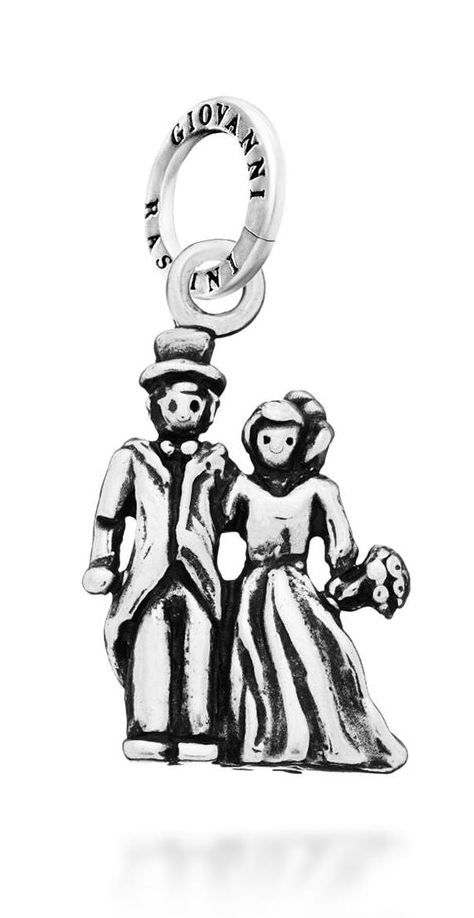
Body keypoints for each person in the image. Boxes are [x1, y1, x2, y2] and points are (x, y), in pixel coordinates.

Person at [222, 391, 408, 772]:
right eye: (267, 438)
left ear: (302, 444)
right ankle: (264, 738)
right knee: (254, 660)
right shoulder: (242, 489)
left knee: (315, 658)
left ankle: (323, 736)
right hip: (253, 589)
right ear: (253, 439)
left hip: (297, 589)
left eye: (287, 439)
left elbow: (342, 548)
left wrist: (354, 579)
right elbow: (212, 528)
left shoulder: (318, 491)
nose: (276, 447)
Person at [82, 328, 234, 763]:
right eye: (172, 403)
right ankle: (149, 727)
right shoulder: (131, 458)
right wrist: (102, 560)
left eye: (194, 404)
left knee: (201, 649)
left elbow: (240, 510)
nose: (183, 412)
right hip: (147, 577)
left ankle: (198, 730)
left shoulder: (216, 461)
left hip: (200, 578)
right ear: (153, 405)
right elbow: (108, 516)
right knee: (152, 647)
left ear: (210, 409)